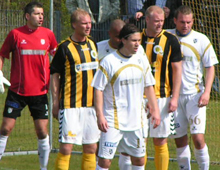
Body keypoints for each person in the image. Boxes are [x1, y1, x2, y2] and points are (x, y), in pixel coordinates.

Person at [92, 23, 160, 170]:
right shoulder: (109, 61)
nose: (137, 44)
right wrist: (100, 116)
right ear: (123, 40)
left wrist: (155, 110)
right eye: (134, 41)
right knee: (104, 162)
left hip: (137, 121)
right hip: (113, 121)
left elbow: (149, 86)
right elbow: (98, 89)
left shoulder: (141, 59)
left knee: (139, 160)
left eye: (139, 41)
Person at [0, 2, 57, 170]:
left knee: (41, 131)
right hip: (17, 92)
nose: (41, 17)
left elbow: (58, 56)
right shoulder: (15, 34)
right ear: (27, 16)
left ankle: (43, 168)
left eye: (42, 14)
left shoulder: (48, 34)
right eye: (37, 14)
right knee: (5, 129)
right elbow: (2, 54)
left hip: (40, 93)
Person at [167, 5, 219, 170]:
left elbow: (210, 67)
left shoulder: (201, 39)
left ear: (193, 21)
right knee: (180, 139)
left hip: (194, 97)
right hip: (173, 98)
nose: (185, 25)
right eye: (182, 22)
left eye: (189, 22)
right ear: (175, 20)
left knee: (198, 138)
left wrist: (207, 92)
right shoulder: (167, 37)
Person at [50, 8, 100, 170]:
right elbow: (54, 75)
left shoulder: (93, 44)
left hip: (91, 105)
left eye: (89, 23)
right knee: (66, 148)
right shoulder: (64, 47)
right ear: (74, 25)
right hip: (70, 105)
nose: (88, 26)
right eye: (84, 23)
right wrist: (56, 102)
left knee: (91, 148)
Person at [140, 5, 182, 170]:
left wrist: (175, 97)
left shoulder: (171, 40)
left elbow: (177, 70)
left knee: (160, 139)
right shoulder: (136, 38)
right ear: (147, 19)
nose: (159, 24)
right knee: (140, 140)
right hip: (139, 98)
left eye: (162, 21)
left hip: (162, 97)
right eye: (156, 21)